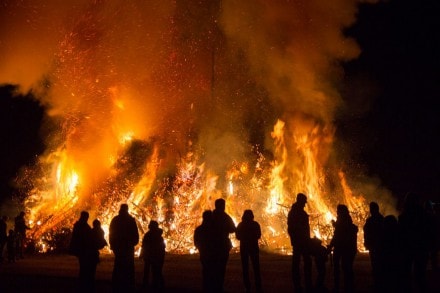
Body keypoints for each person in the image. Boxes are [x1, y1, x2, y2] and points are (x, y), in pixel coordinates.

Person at [397, 192, 431, 293]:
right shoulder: (424, 215)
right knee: (420, 275)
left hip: (409, 248)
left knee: (407, 274)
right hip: (420, 248)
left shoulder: (404, 216)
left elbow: (401, 233)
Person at [327, 204, 358, 293]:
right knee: (348, 268)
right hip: (349, 248)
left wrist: (331, 245)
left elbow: (338, 235)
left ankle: (338, 287)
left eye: (338, 210)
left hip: (342, 248)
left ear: (341, 211)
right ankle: (349, 287)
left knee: (340, 268)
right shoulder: (347, 219)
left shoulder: (342, 220)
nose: (336, 212)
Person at [109, 203, 139, 293]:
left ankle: (116, 286)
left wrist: (113, 245)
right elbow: (135, 234)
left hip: (118, 247)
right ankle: (129, 286)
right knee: (129, 267)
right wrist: (133, 243)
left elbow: (111, 234)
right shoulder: (130, 220)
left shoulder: (115, 220)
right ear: (127, 209)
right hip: (128, 248)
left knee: (118, 266)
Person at [287, 193, 312, 293]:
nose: (305, 204)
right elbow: (292, 228)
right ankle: (301, 285)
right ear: (300, 201)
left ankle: (304, 284)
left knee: (302, 263)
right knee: (299, 263)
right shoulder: (296, 213)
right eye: (304, 202)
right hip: (300, 242)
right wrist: (298, 238)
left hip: (301, 241)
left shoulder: (296, 212)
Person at [211, 198, 236, 292]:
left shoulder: (211, 216)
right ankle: (219, 286)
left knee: (212, 267)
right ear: (222, 206)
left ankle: (212, 286)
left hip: (212, 246)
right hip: (222, 245)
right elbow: (233, 229)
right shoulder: (225, 217)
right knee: (221, 268)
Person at [69, 211, 97, 293]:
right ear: (85, 217)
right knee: (85, 268)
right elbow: (86, 238)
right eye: (87, 217)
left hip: (81, 250)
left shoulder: (79, 225)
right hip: (84, 250)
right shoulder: (83, 226)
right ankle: (84, 286)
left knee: (83, 267)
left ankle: (83, 285)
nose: (87, 218)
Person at [235, 209, 262, 293]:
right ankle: (258, 286)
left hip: (244, 247)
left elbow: (238, 236)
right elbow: (258, 235)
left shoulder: (241, 225)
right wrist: (252, 238)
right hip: (253, 247)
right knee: (256, 267)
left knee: (245, 268)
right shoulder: (255, 224)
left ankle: (247, 286)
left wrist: (244, 238)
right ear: (252, 216)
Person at [363, 201, 384, 292]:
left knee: (376, 265)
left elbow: (366, 232)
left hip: (375, 246)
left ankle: (378, 284)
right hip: (378, 246)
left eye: (371, 209)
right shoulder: (381, 219)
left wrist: (367, 243)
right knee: (378, 265)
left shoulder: (372, 220)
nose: (370, 211)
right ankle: (379, 283)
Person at [141, 220, 166, 292]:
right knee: (157, 271)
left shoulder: (148, 235)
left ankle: (148, 286)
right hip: (156, 257)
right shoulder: (159, 236)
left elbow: (144, 245)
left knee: (149, 271)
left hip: (150, 256)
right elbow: (163, 247)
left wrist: (142, 254)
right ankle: (158, 286)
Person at [194, 210, 215, 292]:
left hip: (204, 253)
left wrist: (200, 249)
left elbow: (196, 242)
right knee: (213, 271)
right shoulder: (215, 229)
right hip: (212, 254)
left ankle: (206, 288)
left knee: (206, 271)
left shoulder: (199, 229)